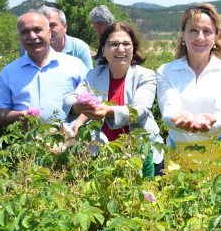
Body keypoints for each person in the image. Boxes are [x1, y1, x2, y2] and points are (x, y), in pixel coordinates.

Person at [64, 22, 165, 173]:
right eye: (113, 44)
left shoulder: (145, 76)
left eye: (126, 44)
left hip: (140, 154)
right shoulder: (94, 75)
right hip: (104, 156)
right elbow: (69, 99)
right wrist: (78, 106)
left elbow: (139, 110)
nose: (121, 49)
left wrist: (107, 110)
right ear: (103, 50)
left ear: (133, 49)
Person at [156, 3, 221, 170]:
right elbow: (168, 113)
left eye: (207, 31)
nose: (200, 37)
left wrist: (205, 125)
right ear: (183, 34)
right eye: (193, 30)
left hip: (219, 157)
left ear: (216, 35)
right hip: (177, 160)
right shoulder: (166, 71)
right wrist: (182, 120)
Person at [0, 12, 88, 126]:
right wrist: (20, 116)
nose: (32, 36)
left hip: (70, 139)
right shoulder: (9, 72)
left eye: (37, 30)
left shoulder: (74, 65)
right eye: (25, 32)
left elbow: (92, 102)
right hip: (27, 141)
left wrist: (78, 125)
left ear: (49, 33)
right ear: (19, 37)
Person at [19, 5, 93, 70]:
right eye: (43, 26)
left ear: (64, 27)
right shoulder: (30, 48)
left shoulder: (80, 48)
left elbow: (88, 81)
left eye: (52, 25)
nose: (48, 29)